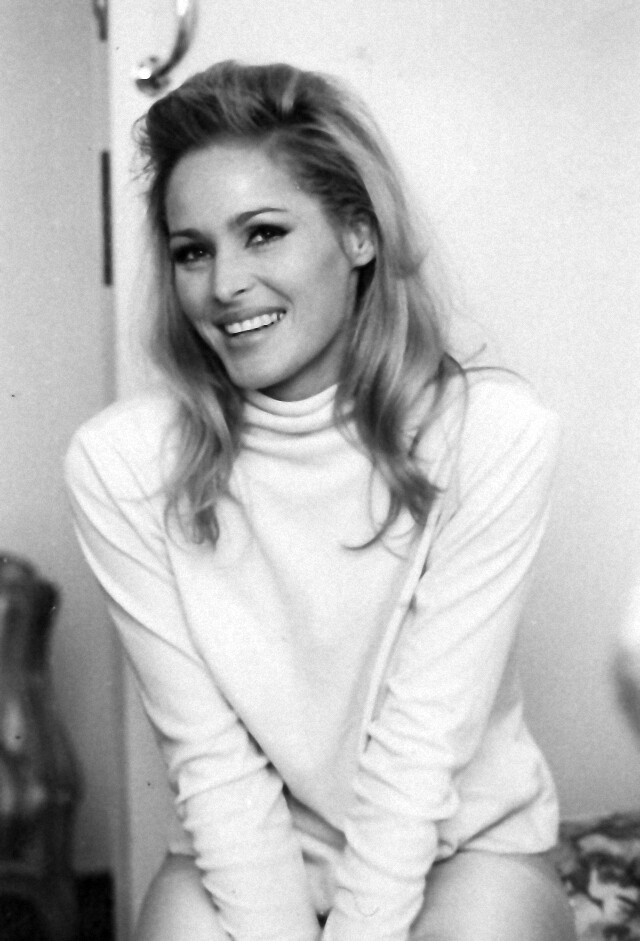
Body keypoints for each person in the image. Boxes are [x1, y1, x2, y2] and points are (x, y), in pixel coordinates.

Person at [65, 60, 576, 941]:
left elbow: (422, 750)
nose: (224, 284)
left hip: (457, 843)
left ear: (358, 234)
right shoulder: (120, 464)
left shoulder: (493, 433)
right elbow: (211, 762)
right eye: (193, 250)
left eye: (263, 233)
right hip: (253, 851)